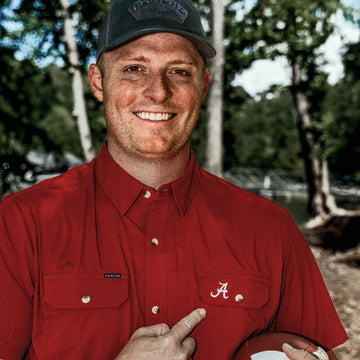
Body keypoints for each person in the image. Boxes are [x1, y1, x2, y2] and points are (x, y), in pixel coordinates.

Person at [0, 0, 348, 359]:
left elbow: (320, 351)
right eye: (134, 68)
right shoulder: (21, 224)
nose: (159, 91)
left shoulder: (271, 229)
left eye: (180, 72)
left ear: (204, 84)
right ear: (98, 82)